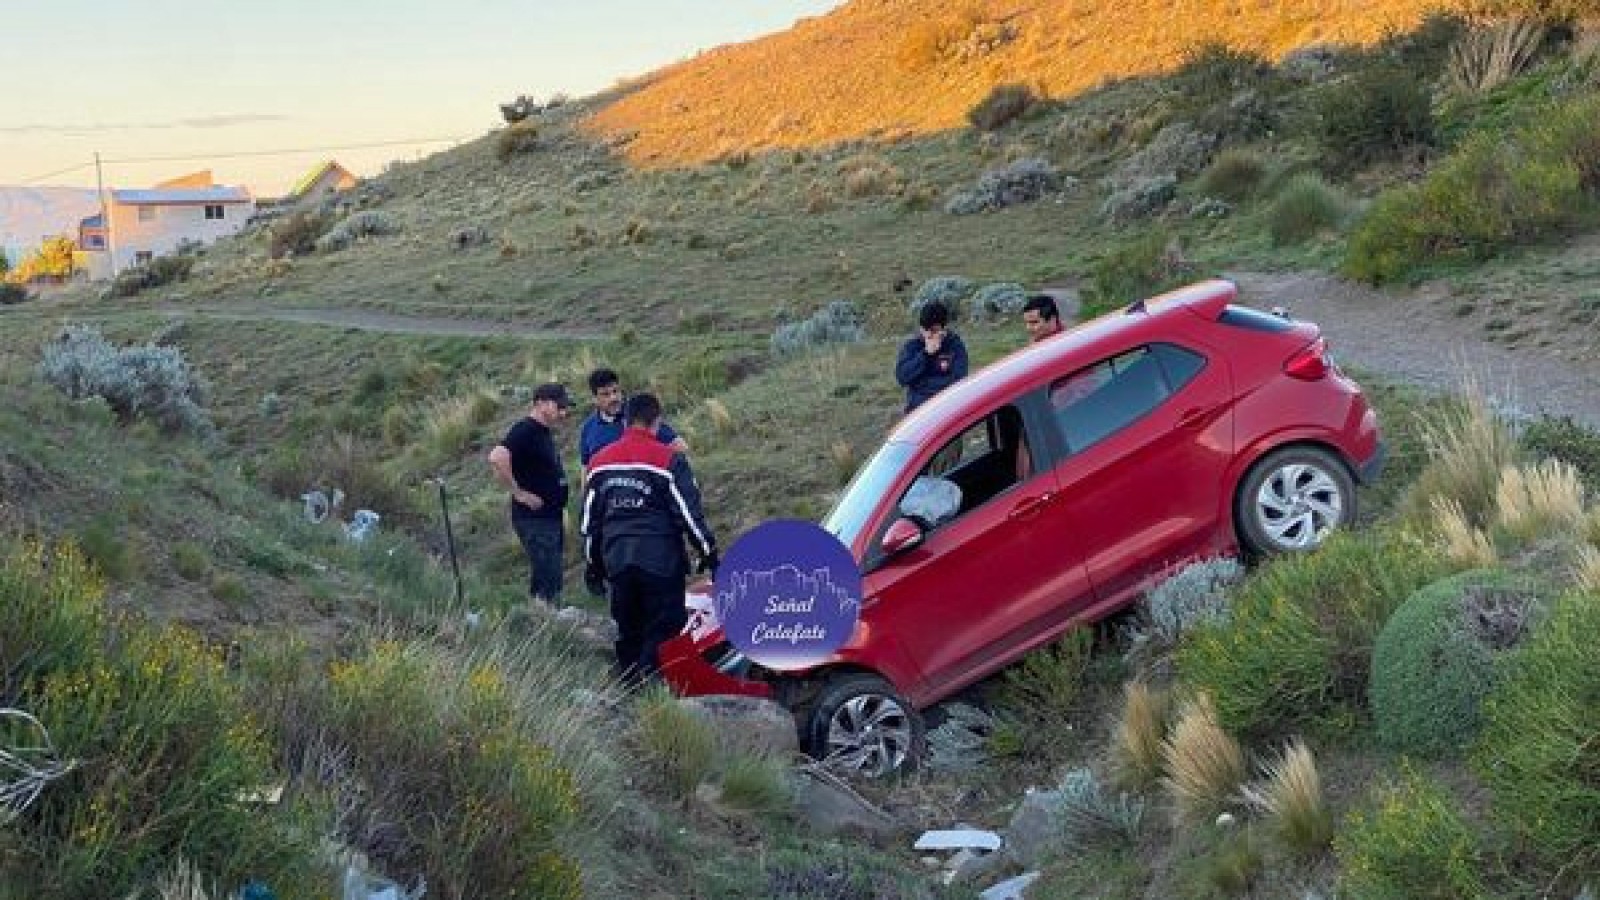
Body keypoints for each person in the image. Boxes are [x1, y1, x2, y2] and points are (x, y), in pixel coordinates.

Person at [582, 392, 718, 683]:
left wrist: (593, 565)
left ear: (625, 422)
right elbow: (688, 515)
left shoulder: (598, 463)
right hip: (660, 561)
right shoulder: (668, 460)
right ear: (657, 422)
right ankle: (655, 690)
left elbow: (590, 523)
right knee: (665, 629)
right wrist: (708, 552)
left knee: (629, 630)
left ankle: (633, 692)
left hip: (617, 560)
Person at [487, 382, 575, 605]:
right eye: (559, 406)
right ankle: (545, 617)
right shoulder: (525, 430)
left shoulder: (541, 432)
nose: (563, 412)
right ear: (540, 403)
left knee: (549, 575)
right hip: (535, 519)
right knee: (547, 576)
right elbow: (497, 457)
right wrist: (519, 493)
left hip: (549, 516)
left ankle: (543, 615)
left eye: (564, 407)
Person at [578, 367, 689, 468]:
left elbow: (680, 447)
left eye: (615, 391)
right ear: (594, 398)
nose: (613, 398)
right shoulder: (588, 429)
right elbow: (586, 469)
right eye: (605, 394)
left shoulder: (639, 415)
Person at [895, 301, 969, 413]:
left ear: (944, 329)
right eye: (925, 330)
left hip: (947, 407)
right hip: (918, 410)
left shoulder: (955, 345)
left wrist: (919, 385)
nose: (928, 335)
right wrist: (925, 354)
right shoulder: (912, 346)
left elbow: (958, 381)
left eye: (934, 331)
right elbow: (902, 377)